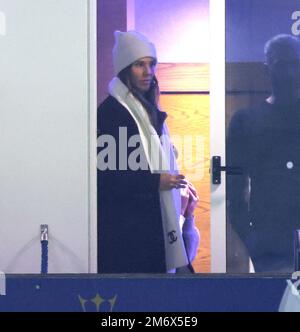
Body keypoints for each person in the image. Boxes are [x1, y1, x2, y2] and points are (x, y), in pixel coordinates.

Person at [97, 30, 200, 273]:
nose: (148, 71)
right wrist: (156, 181)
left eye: (151, 64)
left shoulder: (149, 110)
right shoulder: (112, 113)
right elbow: (108, 176)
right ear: (125, 69)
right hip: (129, 232)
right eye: (139, 65)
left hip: (149, 224)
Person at [227, 34, 300, 272]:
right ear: (267, 70)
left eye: (295, 65)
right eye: (282, 65)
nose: (289, 73)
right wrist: (251, 239)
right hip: (270, 243)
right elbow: (234, 189)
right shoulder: (246, 122)